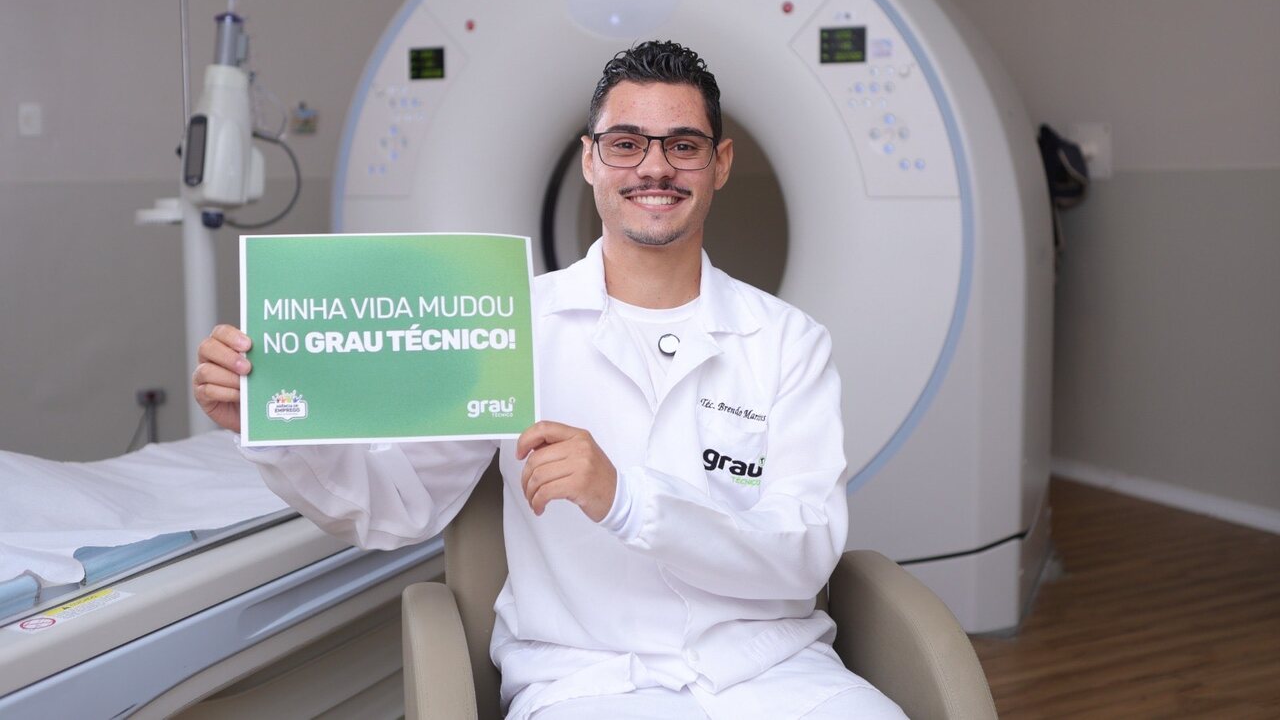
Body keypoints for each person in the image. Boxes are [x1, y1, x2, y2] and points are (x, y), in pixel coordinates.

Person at [193, 41, 904, 719]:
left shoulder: (787, 342)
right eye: (626, 143)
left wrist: (625, 499)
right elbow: (397, 505)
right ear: (590, 160)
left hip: (777, 676)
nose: (654, 168)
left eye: (683, 145)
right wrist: (274, 425)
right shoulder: (513, 326)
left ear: (719, 164)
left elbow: (804, 554)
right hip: (590, 681)